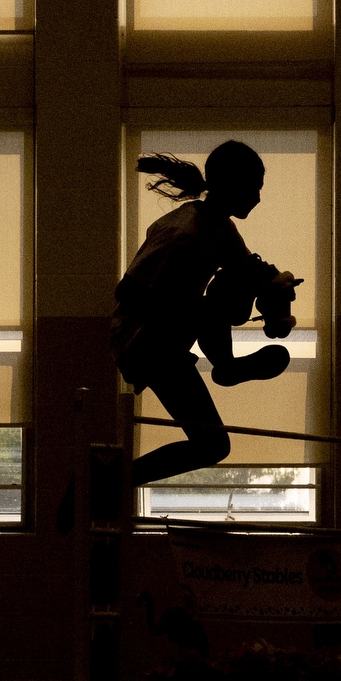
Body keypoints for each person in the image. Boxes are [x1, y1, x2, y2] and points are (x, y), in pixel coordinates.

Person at [112, 140, 304, 488]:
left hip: (167, 341)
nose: (258, 198)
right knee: (221, 293)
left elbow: (249, 270)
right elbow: (127, 293)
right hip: (140, 340)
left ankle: (112, 479)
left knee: (213, 445)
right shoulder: (181, 232)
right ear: (230, 185)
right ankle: (227, 366)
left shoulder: (222, 229)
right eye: (254, 188)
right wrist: (193, 309)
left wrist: (276, 292)